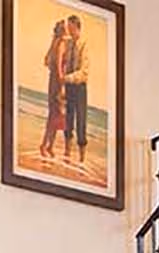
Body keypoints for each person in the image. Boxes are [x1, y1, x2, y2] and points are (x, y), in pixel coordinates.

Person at [61, 15, 91, 164]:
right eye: (68, 28)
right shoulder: (69, 43)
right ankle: (67, 152)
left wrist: (67, 78)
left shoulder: (84, 44)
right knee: (68, 119)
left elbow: (84, 73)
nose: (69, 30)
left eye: (71, 28)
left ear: (77, 27)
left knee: (81, 120)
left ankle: (82, 159)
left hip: (79, 87)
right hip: (69, 86)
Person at [39, 20, 70, 158]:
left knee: (55, 114)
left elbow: (46, 61)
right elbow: (57, 64)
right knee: (55, 114)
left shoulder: (54, 42)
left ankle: (49, 146)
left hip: (52, 80)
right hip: (57, 81)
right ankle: (45, 145)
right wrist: (62, 82)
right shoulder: (62, 43)